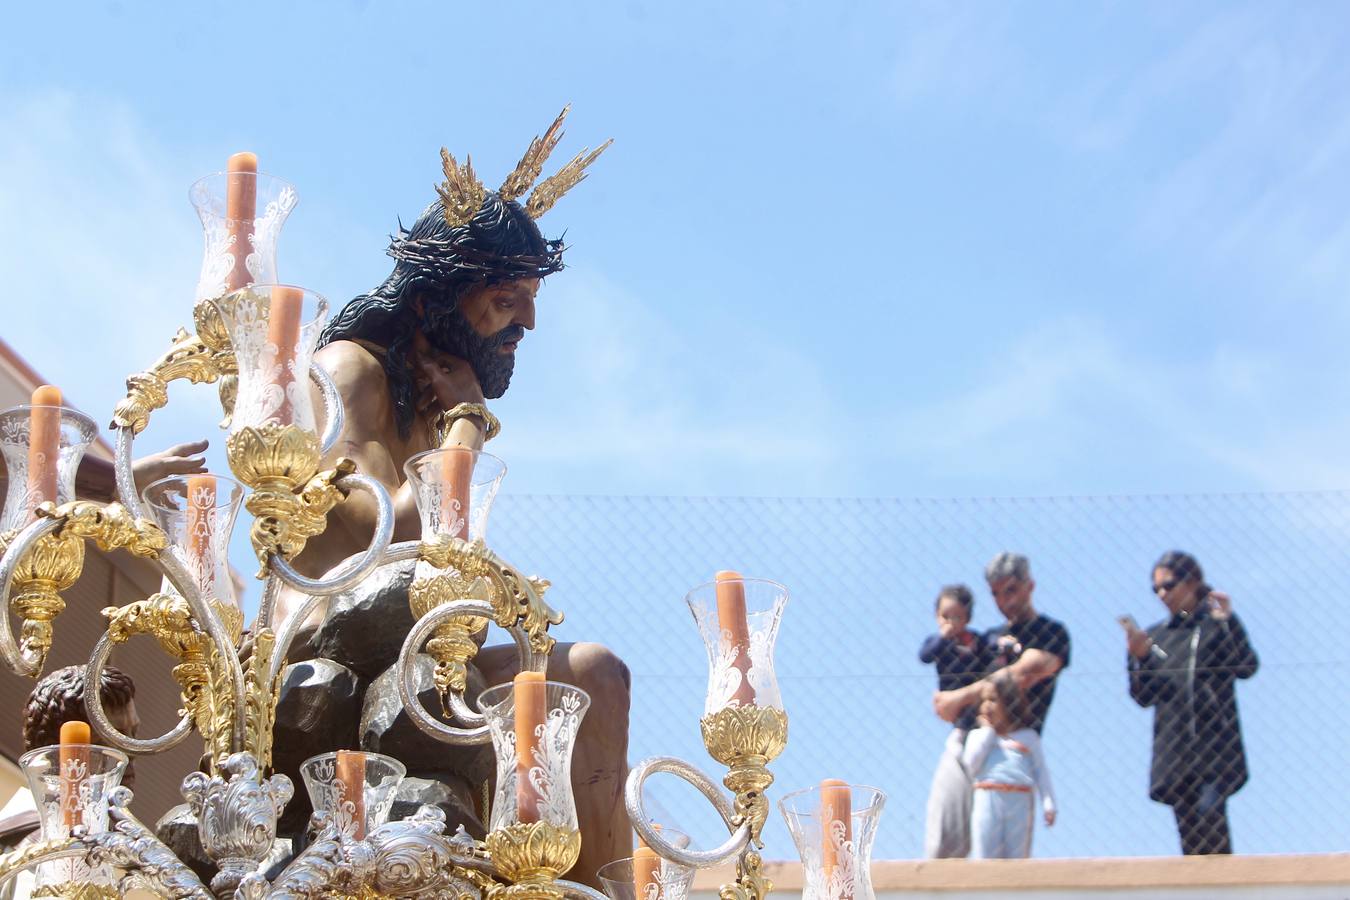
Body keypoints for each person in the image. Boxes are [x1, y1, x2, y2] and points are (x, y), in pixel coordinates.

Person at [276, 112, 627, 887]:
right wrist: (468, 424)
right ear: (441, 296)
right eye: (507, 300)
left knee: (595, 677)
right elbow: (371, 536)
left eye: (529, 299)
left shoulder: (427, 406)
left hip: (424, 667)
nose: (528, 323)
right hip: (332, 673)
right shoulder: (349, 370)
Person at [1124, 550, 1258, 855]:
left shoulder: (1214, 625)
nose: (1162, 594)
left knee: (1211, 817)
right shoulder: (1155, 636)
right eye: (1155, 588)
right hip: (1176, 753)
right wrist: (1140, 658)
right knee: (1190, 838)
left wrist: (1228, 621)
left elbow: (1246, 666)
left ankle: (1224, 888)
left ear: (1192, 582)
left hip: (1215, 750)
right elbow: (1142, 696)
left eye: (1168, 585)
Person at [0, 665, 139, 900]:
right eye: (112, 739)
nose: (131, 753)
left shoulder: (136, 862)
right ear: (54, 757)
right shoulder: (18, 864)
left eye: (133, 735)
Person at [932, 553, 1071, 735]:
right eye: (995, 593)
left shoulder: (1050, 632)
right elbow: (959, 685)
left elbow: (1021, 676)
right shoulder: (988, 638)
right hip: (973, 740)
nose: (1004, 601)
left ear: (1030, 586)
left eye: (1011, 590)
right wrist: (946, 699)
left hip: (1016, 742)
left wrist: (959, 698)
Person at [918, 584, 990, 858]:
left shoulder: (977, 643)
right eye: (945, 617)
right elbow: (924, 656)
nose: (951, 623)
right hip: (958, 715)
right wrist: (943, 637)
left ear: (967, 618)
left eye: (957, 617)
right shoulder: (939, 644)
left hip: (975, 707)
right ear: (937, 617)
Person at [961, 671, 1056, 859]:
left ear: (1009, 702)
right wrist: (987, 732)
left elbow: (1041, 772)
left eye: (994, 700)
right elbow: (970, 766)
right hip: (987, 797)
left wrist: (1049, 803)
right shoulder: (977, 736)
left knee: (1017, 858)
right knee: (984, 856)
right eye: (984, 700)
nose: (987, 706)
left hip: (1020, 800)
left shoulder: (1029, 738)